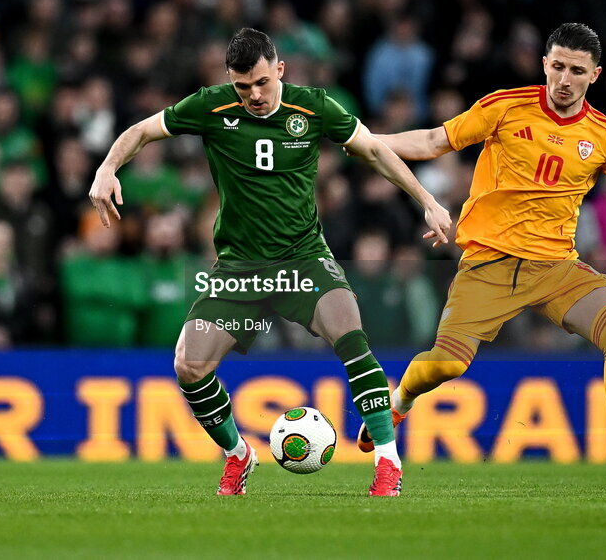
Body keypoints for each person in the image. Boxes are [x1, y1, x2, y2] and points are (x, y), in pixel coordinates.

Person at [353, 23, 606, 489]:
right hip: (488, 264)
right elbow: (434, 141)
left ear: (595, 74)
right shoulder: (505, 107)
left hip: (556, 267)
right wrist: (365, 141)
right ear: (544, 65)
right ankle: (400, 402)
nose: (564, 79)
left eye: (576, 70)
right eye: (557, 66)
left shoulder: (605, 137)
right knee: (446, 366)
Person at [89, 28, 452, 497]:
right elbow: (140, 131)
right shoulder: (210, 106)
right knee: (188, 366)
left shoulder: (315, 106)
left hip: (304, 258)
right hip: (239, 267)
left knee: (351, 335)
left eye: (262, 83)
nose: (254, 96)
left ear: (280, 70)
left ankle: (388, 463)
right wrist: (106, 168)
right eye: (243, 87)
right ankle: (238, 455)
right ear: (229, 81)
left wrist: (426, 198)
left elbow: (375, 150)